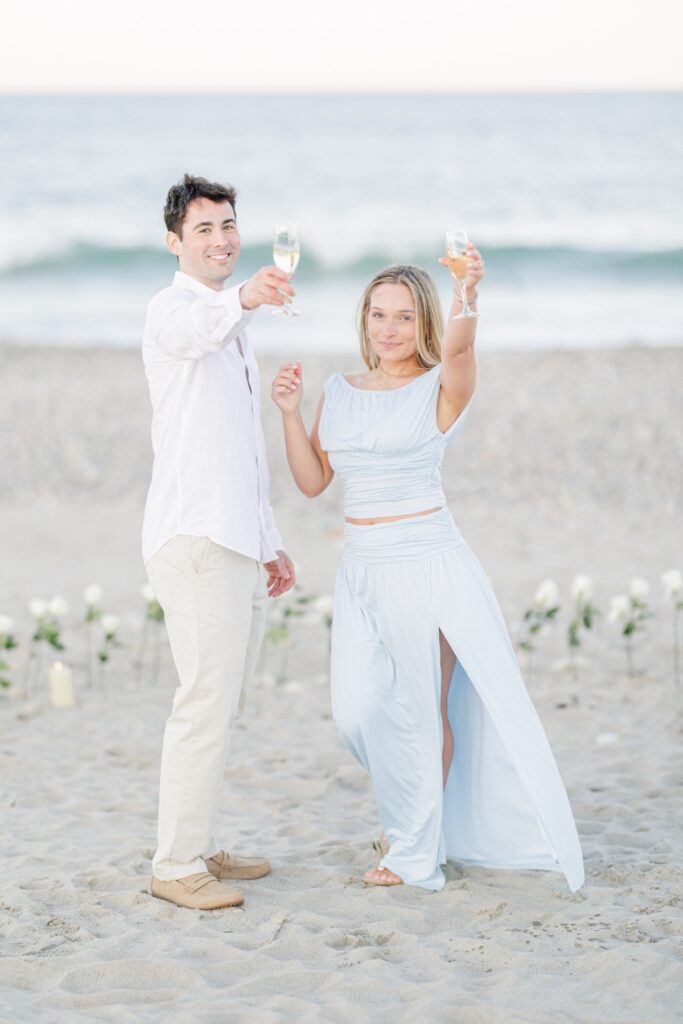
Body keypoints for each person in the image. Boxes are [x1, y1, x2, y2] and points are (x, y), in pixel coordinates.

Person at [270, 248, 585, 892]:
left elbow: (464, 352)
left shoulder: (442, 386)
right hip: (360, 570)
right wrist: (288, 414)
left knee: (421, 710)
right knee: (355, 712)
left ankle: (417, 849)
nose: (389, 329)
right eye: (378, 315)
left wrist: (467, 288)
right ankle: (417, 827)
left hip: (428, 564)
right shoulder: (339, 391)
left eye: (405, 318)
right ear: (364, 321)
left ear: (426, 325)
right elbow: (311, 483)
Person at [142, 174, 296, 910]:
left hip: (233, 533)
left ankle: (195, 844)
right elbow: (196, 328)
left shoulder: (235, 330)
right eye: (203, 229)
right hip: (194, 535)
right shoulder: (172, 311)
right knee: (203, 699)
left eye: (228, 225)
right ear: (176, 242)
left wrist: (270, 539)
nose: (221, 239)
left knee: (220, 696)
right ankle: (174, 866)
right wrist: (243, 298)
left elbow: (245, 450)